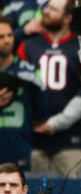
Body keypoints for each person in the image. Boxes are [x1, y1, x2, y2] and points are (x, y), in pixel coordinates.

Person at [18, 0, 81, 176]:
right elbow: (19, 87)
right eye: (46, 7)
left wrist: (56, 123)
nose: (46, 12)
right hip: (33, 137)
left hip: (70, 139)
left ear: (68, 17)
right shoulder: (28, 46)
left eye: (53, 9)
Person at [0, 16, 46, 170]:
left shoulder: (30, 74)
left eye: (10, 35)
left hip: (18, 150)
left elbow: (41, 116)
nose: (7, 41)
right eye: (1, 37)